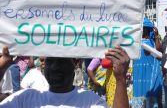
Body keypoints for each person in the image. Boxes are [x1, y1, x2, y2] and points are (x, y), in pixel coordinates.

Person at [0, 46, 130, 108]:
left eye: (61, 61)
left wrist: (120, 78)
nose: (55, 67)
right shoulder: (26, 98)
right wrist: (3, 63)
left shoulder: (89, 101)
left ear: (75, 64)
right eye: (50, 61)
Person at [132, 18, 163, 108]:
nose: (142, 30)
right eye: (141, 28)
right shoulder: (135, 41)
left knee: (151, 96)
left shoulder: (152, 40)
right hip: (138, 73)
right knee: (139, 95)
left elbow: (159, 50)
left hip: (150, 72)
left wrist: (156, 35)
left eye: (144, 28)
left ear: (148, 29)